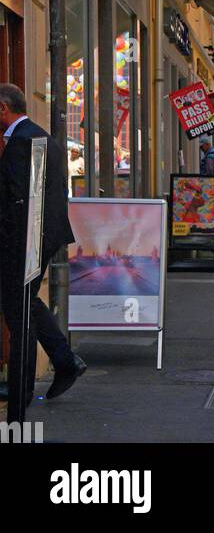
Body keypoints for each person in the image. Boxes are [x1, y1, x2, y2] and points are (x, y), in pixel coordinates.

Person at [0, 83, 86, 419]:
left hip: (27, 240)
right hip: (38, 237)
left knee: (18, 307)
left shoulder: (22, 141)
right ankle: (63, 362)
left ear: (4, 109)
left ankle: (22, 388)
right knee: (25, 303)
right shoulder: (38, 136)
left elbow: (19, 199)